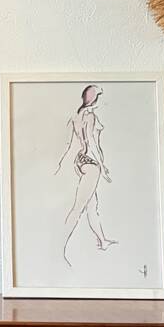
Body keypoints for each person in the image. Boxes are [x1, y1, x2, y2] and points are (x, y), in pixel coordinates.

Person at [55, 84, 117, 265]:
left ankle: (102, 240)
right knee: (78, 207)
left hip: (80, 161)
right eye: (99, 96)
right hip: (91, 164)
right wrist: (103, 166)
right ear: (94, 99)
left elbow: (69, 143)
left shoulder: (76, 116)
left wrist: (63, 164)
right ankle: (59, 249)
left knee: (92, 205)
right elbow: (92, 142)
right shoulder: (90, 116)